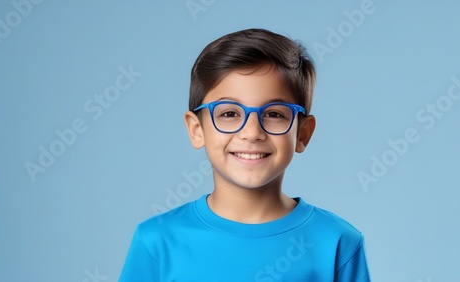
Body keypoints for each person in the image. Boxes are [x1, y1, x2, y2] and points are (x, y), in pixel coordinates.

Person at [119, 28, 371, 281]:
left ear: (302, 133)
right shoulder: (156, 241)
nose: (252, 133)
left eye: (274, 114)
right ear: (197, 130)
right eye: (229, 113)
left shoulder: (337, 241)